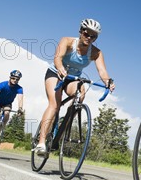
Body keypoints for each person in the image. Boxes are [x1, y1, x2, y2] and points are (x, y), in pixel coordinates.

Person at [33, 18, 115, 156]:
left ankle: (62, 129)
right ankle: (41, 143)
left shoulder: (96, 52)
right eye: (86, 33)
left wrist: (108, 81)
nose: (89, 37)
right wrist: (60, 68)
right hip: (56, 74)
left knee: (80, 94)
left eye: (93, 36)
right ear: (80, 31)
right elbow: (57, 58)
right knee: (54, 105)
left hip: (73, 78)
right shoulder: (68, 41)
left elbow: (102, 71)